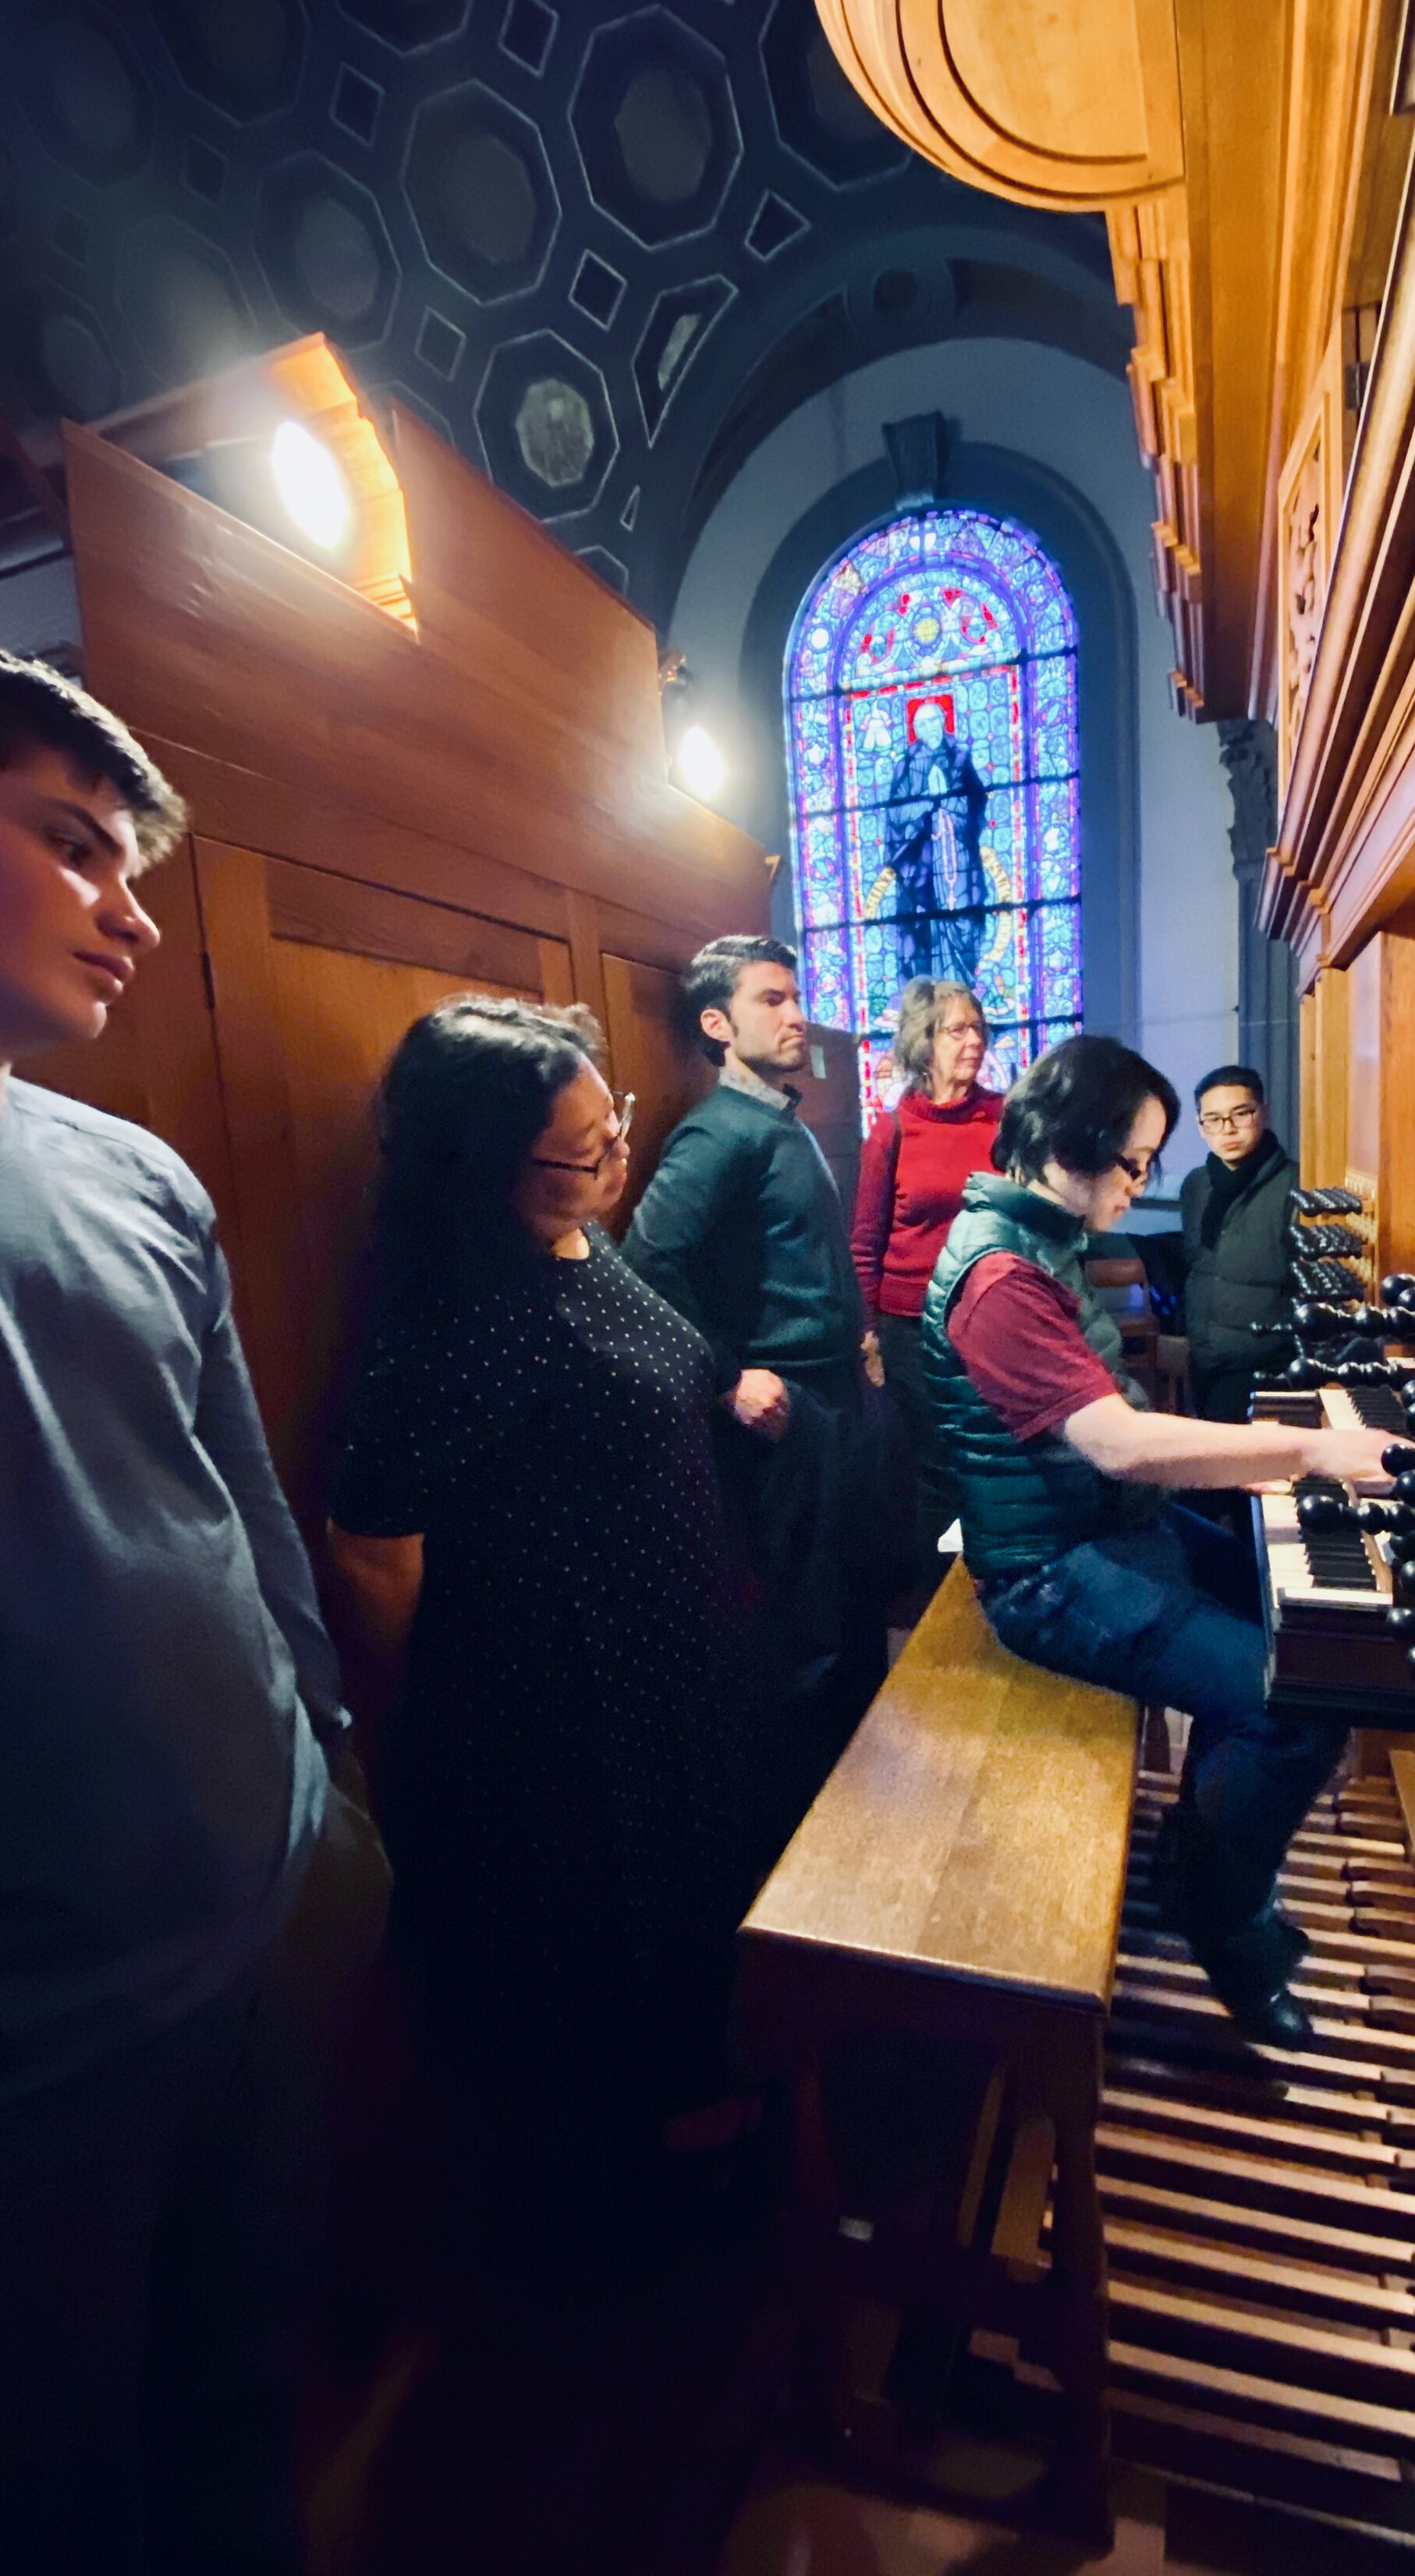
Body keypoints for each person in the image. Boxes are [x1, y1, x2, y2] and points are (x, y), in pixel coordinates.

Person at [0, 627, 373, 2574]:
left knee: (237, 2427)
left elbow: (246, 1519)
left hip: (263, 1923)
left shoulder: (131, 1173)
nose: (129, 910)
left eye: (137, 861)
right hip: (14, 2068)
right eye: (69, 844)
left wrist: (330, 1795)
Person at [327, 998, 761, 2258]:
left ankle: (703, 2123)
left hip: (666, 1661)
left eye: (610, 1124)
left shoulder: (579, 1240)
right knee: (606, 1960)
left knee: (691, 1919)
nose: (616, 1158)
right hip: (566, 1703)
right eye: (583, 1149)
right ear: (483, 1161)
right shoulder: (457, 1317)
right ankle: (632, 2220)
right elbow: (371, 1545)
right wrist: (432, 1692)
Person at [920, 1035, 1392, 2039]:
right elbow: (1119, 1446)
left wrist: (1260, 1462)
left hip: (1101, 1531)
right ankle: (1228, 1926)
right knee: (1296, 1709)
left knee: (1297, 1630)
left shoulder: (1036, 1237)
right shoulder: (1000, 1277)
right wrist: (1300, 1453)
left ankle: (1200, 1848)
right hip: (1046, 1574)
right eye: (1135, 1161)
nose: (1142, 1183)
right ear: (1076, 1143)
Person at [623, 935, 885, 1851]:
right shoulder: (716, 1132)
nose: (794, 1014)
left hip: (832, 1395)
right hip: (786, 1416)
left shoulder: (777, 1120)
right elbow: (646, 1268)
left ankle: (858, 1814)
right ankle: (807, 1849)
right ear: (715, 1023)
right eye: (769, 999)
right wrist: (728, 1377)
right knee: (802, 1629)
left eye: (793, 996)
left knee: (849, 1607)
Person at [851, 976, 1002, 1600]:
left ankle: (1000, 1586)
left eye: (977, 1027)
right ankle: (943, 1606)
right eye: (955, 1029)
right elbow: (866, 1239)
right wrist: (869, 1336)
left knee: (991, 1455)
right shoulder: (894, 1131)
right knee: (936, 1466)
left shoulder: (1006, 1117)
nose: (973, 1040)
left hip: (990, 1316)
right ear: (923, 1042)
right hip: (911, 1325)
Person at [1178, 1064, 1296, 1419]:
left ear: (1263, 1112)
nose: (1226, 1129)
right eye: (1212, 1119)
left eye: (1240, 1114)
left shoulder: (1297, 1185)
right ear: (1201, 1127)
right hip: (1204, 1355)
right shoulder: (1196, 1185)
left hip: (1265, 1362)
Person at [882, 697, 991, 983]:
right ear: (915, 729)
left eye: (933, 720)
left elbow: (977, 802)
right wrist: (926, 804)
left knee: (964, 914)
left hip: (959, 851)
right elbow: (896, 813)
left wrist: (951, 805)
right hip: (923, 858)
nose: (929, 727)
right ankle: (931, 989)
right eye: (922, 723)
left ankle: (963, 982)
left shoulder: (960, 756)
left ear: (943, 721)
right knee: (925, 922)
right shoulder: (905, 765)